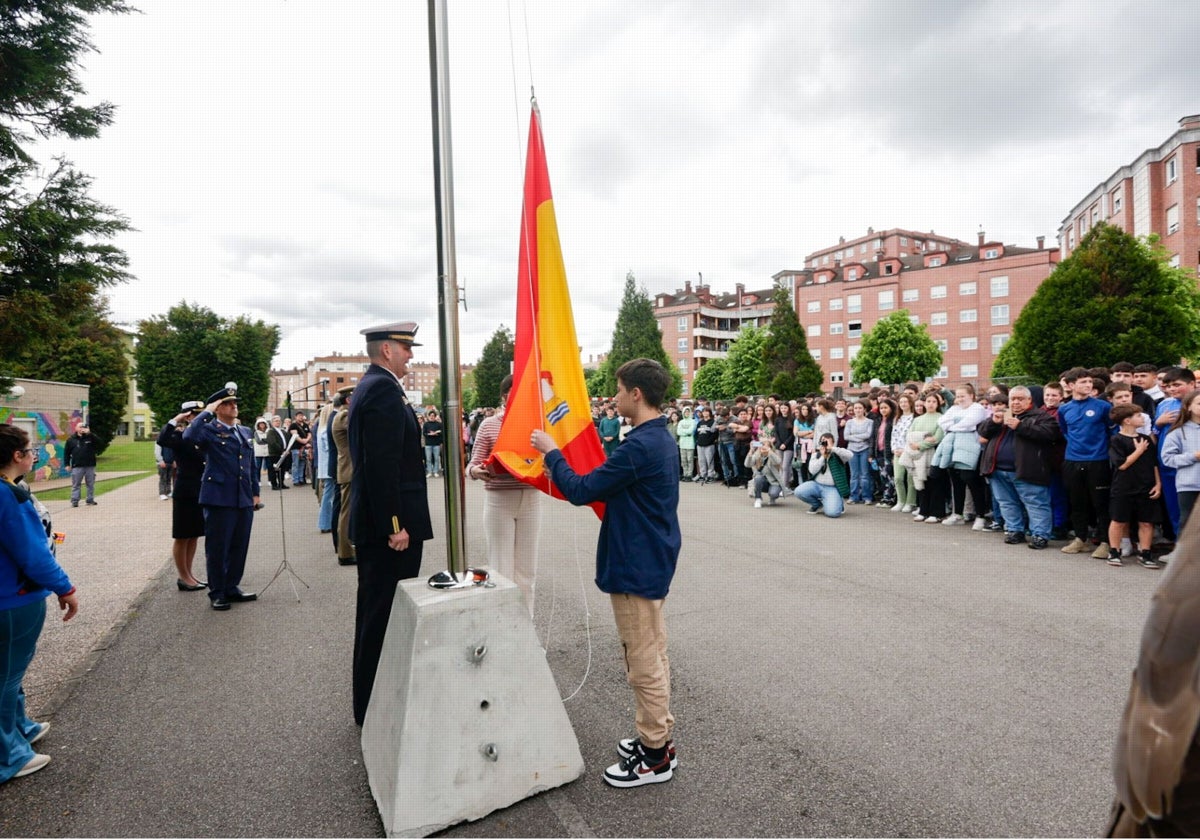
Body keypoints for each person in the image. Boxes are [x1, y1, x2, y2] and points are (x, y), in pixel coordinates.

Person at [530, 358, 681, 788]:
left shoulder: (641, 446)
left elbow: (581, 489)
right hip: (649, 557)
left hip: (638, 563)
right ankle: (658, 739)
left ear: (636, 393)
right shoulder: (657, 438)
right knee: (652, 651)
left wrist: (552, 453)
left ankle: (655, 756)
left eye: (617, 390)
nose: (613, 399)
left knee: (643, 661)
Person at [348, 321, 433, 726]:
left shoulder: (375, 386)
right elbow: (381, 466)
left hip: (387, 523)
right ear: (387, 351)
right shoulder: (381, 389)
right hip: (390, 530)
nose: (411, 355)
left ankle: (373, 702)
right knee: (383, 614)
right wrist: (394, 524)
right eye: (406, 348)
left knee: (379, 612)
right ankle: (374, 707)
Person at [1, 424, 79, 782]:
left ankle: (20, 728)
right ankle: (9, 755)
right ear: (17, 456)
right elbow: (32, 554)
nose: (34, 455)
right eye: (30, 450)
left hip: (11, 597)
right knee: (6, 677)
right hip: (13, 600)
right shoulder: (8, 496)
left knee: (11, 673)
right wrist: (64, 587)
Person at [467, 374, 542, 614]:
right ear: (504, 396)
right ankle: (502, 627)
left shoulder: (538, 424)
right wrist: (477, 471)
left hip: (530, 499)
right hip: (500, 501)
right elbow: (472, 464)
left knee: (526, 572)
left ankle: (525, 627)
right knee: (501, 570)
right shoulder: (489, 425)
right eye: (513, 390)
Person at [183, 384, 261, 611]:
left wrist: (255, 493)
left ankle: (231, 586)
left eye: (235, 403)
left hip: (243, 497)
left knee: (239, 545)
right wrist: (207, 411)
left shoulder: (244, 431)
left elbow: (250, 465)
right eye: (227, 403)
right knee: (218, 547)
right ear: (217, 407)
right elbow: (189, 436)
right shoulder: (208, 429)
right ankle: (217, 591)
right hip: (218, 497)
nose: (234, 406)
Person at [977, 386, 1061, 550]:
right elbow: (982, 433)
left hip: (1027, 469)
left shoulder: (1041, 415)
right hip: (998, 469)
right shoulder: (1003, 414)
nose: (1015, 402)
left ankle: (1040, 535)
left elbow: (1050, 434)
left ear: (1029, 400)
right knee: (1007, 503)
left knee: (1035, 503)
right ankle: (1014, 530)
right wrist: (993, 422)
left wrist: (1020, 426)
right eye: (1012, 399)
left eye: (1020, 399)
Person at [1058, 367, 1115, 558]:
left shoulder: (1103, 406)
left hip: (1098, 461)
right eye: (1083, 382)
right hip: (1072, 461)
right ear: (1071, 385)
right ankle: (1081, 539)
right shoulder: (1064, 408)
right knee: (1077, 503)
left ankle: (1106, 542)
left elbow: (1111, 431)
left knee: (1101, 504)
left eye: (1090, 382)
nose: (1088, 385)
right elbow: (1066, 432)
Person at [156, 401, 208, 590]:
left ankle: (189, 574)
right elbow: (162, 439)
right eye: (195, 415)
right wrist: (175, 420)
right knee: (182, 535)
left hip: (199, 490)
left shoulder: (202, 436)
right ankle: (183, 576)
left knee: (194, 535)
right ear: (188, 417)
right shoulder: (180, 436)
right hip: (185, 491)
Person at [1105, 403, 1163, 569]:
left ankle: (1145, 553)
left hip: (1146, 485)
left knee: (1146, 522)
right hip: (1123, 486)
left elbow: (1154, 464)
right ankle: (1114, 551)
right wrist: (1138, 451)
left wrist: (1158, 484)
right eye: (1138, 416)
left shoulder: (1146, 440)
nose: (1142, 418)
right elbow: (1121, 465)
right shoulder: (1116, 439)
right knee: (1118, 520)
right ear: (1127, 421)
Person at [1162, 388, 1200, 539]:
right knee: (1187, 524)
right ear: (1188, 406)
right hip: (1189, 484)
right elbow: (1168, 459)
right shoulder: (1178, 432)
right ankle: (1183, 560)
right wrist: (1194, 456)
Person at [793, 432, 852, 518]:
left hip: (831, 488)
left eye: (827, 442)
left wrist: (832, 448)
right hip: (817, 485)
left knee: (833, 513)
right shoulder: (816, 455)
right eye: (823, 442)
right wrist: (823, 457)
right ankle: (817, 504)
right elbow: (812, 470)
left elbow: (850, 455)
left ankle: (838, 503)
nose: (825, 444)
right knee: (798, 491)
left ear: (833, 443)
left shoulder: (838, 454)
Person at [330, 387, 356, 566]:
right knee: (346, 512)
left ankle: (347, 550)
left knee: (348, 510)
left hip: (348, 469)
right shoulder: (344, 416)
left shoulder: (342, 414)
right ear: (348, 400)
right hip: (349, 469)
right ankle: (345, 553)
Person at [63, 422, 98, 507]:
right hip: (77, 466)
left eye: (84, 427)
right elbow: (66, 453)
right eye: (80, 427)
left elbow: (99, 443)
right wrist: (67, 464)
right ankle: (75, 501)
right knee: (76, 484)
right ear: (76, 428)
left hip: (90, 465)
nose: (82, 428)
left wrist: (89, 433)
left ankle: (90, 500)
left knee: (90, 484)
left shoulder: (90, 438)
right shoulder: (71, 440)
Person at [745, 436, 784, 508]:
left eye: (765, 444)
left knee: (773, 493)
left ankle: (773, 497)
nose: (763, 447)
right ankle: (758, 499)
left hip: (773, 482)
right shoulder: (757, 455)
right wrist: (751, 451)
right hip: (761, 481)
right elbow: (747, 464)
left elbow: (778, 461)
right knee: (758, 478)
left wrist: (770, 451)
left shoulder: (773, 455)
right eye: (761, 444)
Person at [693, 407, 718, 484]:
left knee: (709, 461)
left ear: (710, 413)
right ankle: (703, 475)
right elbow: (696, 433)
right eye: (703, 411)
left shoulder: (713, 422)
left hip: (709, 445)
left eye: (707, 411)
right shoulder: (700, 422)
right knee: (701, 461)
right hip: (700, 445)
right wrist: (698, 441)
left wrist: (709, 441)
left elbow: (715, 434)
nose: (705, 413)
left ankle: (711, 475)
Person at [266, 416, 291, 491]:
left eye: (279, 421)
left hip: (284, 453)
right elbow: (273, 443)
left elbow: (287, 440)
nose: (278, 422)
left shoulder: (283, 431)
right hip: (275, 454)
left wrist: (287, 450)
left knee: (282, 469)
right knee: (274, 470)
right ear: (272, 422)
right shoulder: (271, 431)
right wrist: (281, 450)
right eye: (276, 421)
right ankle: (274, 485)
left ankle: (281, 483)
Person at [676, 406, 696, 482]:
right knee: (683, 460)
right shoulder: (681, 422)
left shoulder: (693, 421)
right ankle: (685, 474)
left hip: (690, 444)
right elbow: (678, 432)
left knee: (690, 460)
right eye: (685, 412)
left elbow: (691, 431)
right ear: (683, 413)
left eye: (688, 412)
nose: (686, 413)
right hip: (682, 444)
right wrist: (686, 433)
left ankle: (689, 475)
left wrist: (684, 432)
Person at [422, 409, 443, 478]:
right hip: (428, 444)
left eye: (433, 416)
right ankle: (429, 471)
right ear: (428, 416)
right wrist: (429, 434)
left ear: (435, 416)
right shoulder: (426, 424)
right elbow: (424, 433)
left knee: (436, 458)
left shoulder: (438, 424)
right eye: (431, 416)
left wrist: (436, 433)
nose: (432, 417)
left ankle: (435, 471)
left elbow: (441, 433)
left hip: (436, 444)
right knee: (428, 458)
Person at [155, 435, 174, 501]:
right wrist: (161, 461)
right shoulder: (159, 440)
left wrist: (174, 460)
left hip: (170, 462)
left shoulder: (171, 440)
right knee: (163, 478)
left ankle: (168, 491)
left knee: (168, 478)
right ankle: (162, 493)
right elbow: (157, 452)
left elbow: (173, 451)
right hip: (162, 463)